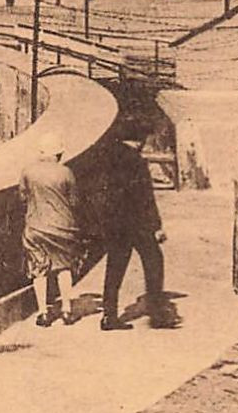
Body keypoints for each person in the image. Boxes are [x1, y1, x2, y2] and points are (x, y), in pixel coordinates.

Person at [96, 124, 172, 330]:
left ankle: (108, 315)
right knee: (154, 260)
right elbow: (145, 197)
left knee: (114, 268)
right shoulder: (136, 162)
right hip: (136, 224)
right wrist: (156, 226)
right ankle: (157, 314)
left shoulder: (107, 158)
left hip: (114, 224)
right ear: (139, 140)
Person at [20, 133, 85, 326]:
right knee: (64, 268)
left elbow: (23, 198)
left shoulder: (28, 172)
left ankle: (43, 313)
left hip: (36, 227)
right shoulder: (66, 173)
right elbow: (75, 201)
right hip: (63, 227)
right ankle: (66, 310)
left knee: (39, 269)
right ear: (58, 153)